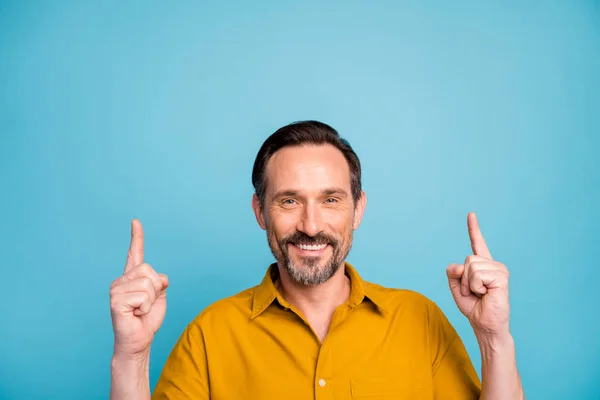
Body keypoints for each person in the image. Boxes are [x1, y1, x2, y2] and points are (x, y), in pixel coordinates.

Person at [109, 121, 525, 399]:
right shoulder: (208, 336)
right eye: (289, 201)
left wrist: (494, 339)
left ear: (358, 209)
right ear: (260, 211)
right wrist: (131, 356)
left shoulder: (420, 321)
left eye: (330, 200)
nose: (310, 225)